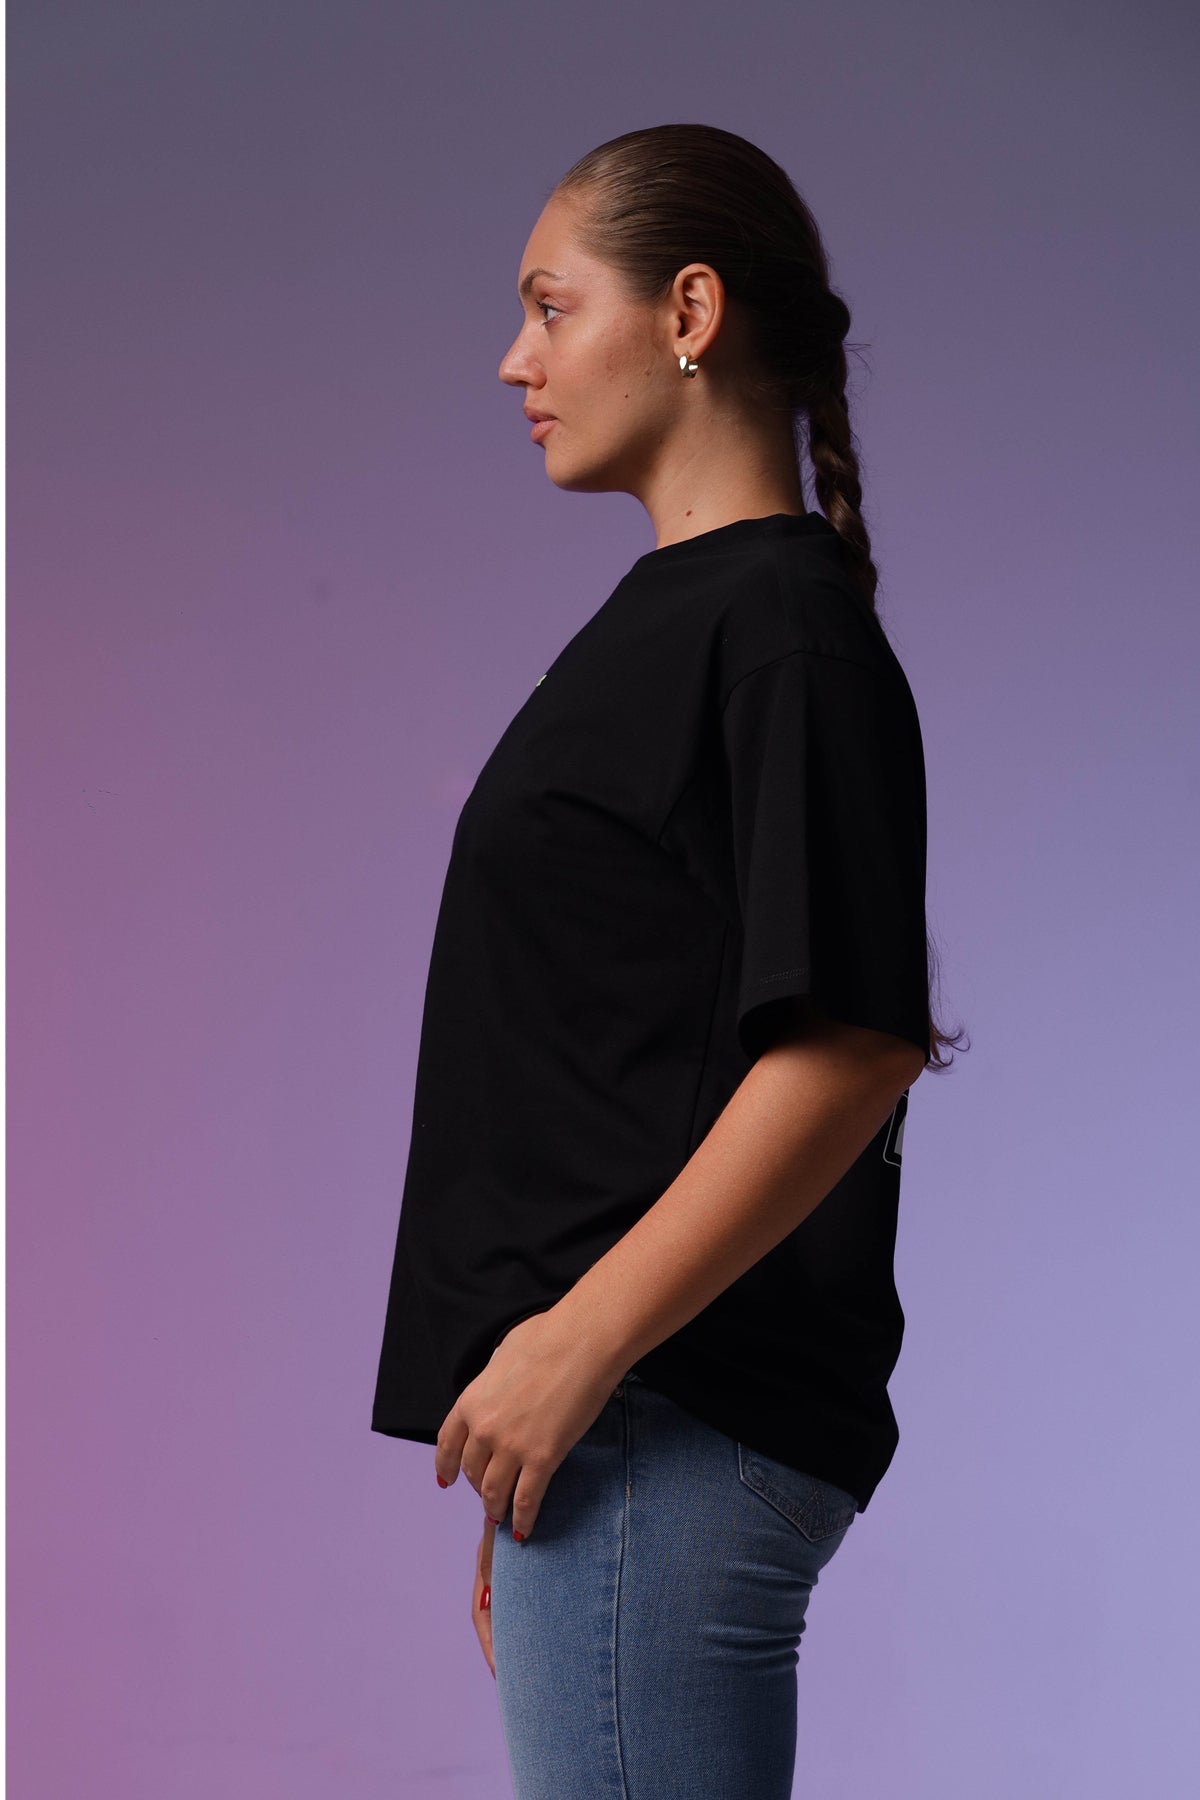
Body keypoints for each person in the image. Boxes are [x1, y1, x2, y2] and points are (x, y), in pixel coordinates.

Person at [371, 122, 966, 1799]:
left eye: (551, 306)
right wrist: (550, 1402)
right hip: (620, 1430)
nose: (517, 360)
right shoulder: (692, 619)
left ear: (690, 311)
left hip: (662, 1413)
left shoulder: (779, 629)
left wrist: (581, 1353)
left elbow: (851, 1046)